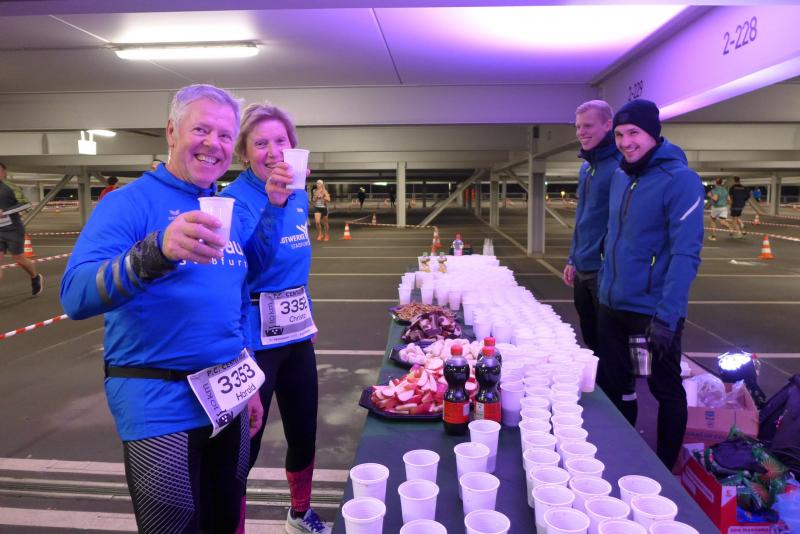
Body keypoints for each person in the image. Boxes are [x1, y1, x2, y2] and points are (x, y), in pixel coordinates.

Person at [60, 84, 261, 534]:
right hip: (159, 404)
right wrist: (156, 252)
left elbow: (236, 301)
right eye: (201, 130)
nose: (213, 144)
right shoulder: (128, 203)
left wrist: (247, 380)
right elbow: (74, 295)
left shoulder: (224, 209)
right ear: (171, 132)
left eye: (225, 135)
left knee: (225, 522)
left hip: (226, 397)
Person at [221, 102, 330, 534]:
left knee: (304, 431)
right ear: (244, 151)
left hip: (295, 335)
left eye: (280, 141)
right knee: (244, 446)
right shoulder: (233, 199)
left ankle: (300, 513)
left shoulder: (298, 192)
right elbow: (248, 266)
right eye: (260, 142)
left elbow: (296, 265)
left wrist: (305, 315)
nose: (272, 151)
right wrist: (273, 205)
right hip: (252, 340)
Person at [597, 99, 704, 469]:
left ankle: (666, 465)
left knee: (665, 388)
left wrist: (667, 316)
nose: (626, 142)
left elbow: (686, 253)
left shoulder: (681, 180)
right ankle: (624, 453)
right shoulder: (621, 176)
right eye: (619, 134)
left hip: (653, 310)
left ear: (654, 134)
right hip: (612, 304)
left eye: (634, 133)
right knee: (616, 384)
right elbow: (613, 234)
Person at [563, 100, 621, 354]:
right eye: (578, 127)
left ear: (608, 125)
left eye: (588, 126)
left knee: (610, 341)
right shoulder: (587, 168)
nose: (581, 132)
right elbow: (584, 217)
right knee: (590, 336)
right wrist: (572, 258)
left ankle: (615, 381)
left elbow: (620, 221)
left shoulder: (620, 166)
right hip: (583, 266)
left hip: (604, 269)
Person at [0, 162, 43, 295]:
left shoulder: (10, 187)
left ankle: (35, 277)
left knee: (19, 259)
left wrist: (5, 212)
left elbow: (26, 205)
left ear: (4, 172)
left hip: (13, 230)